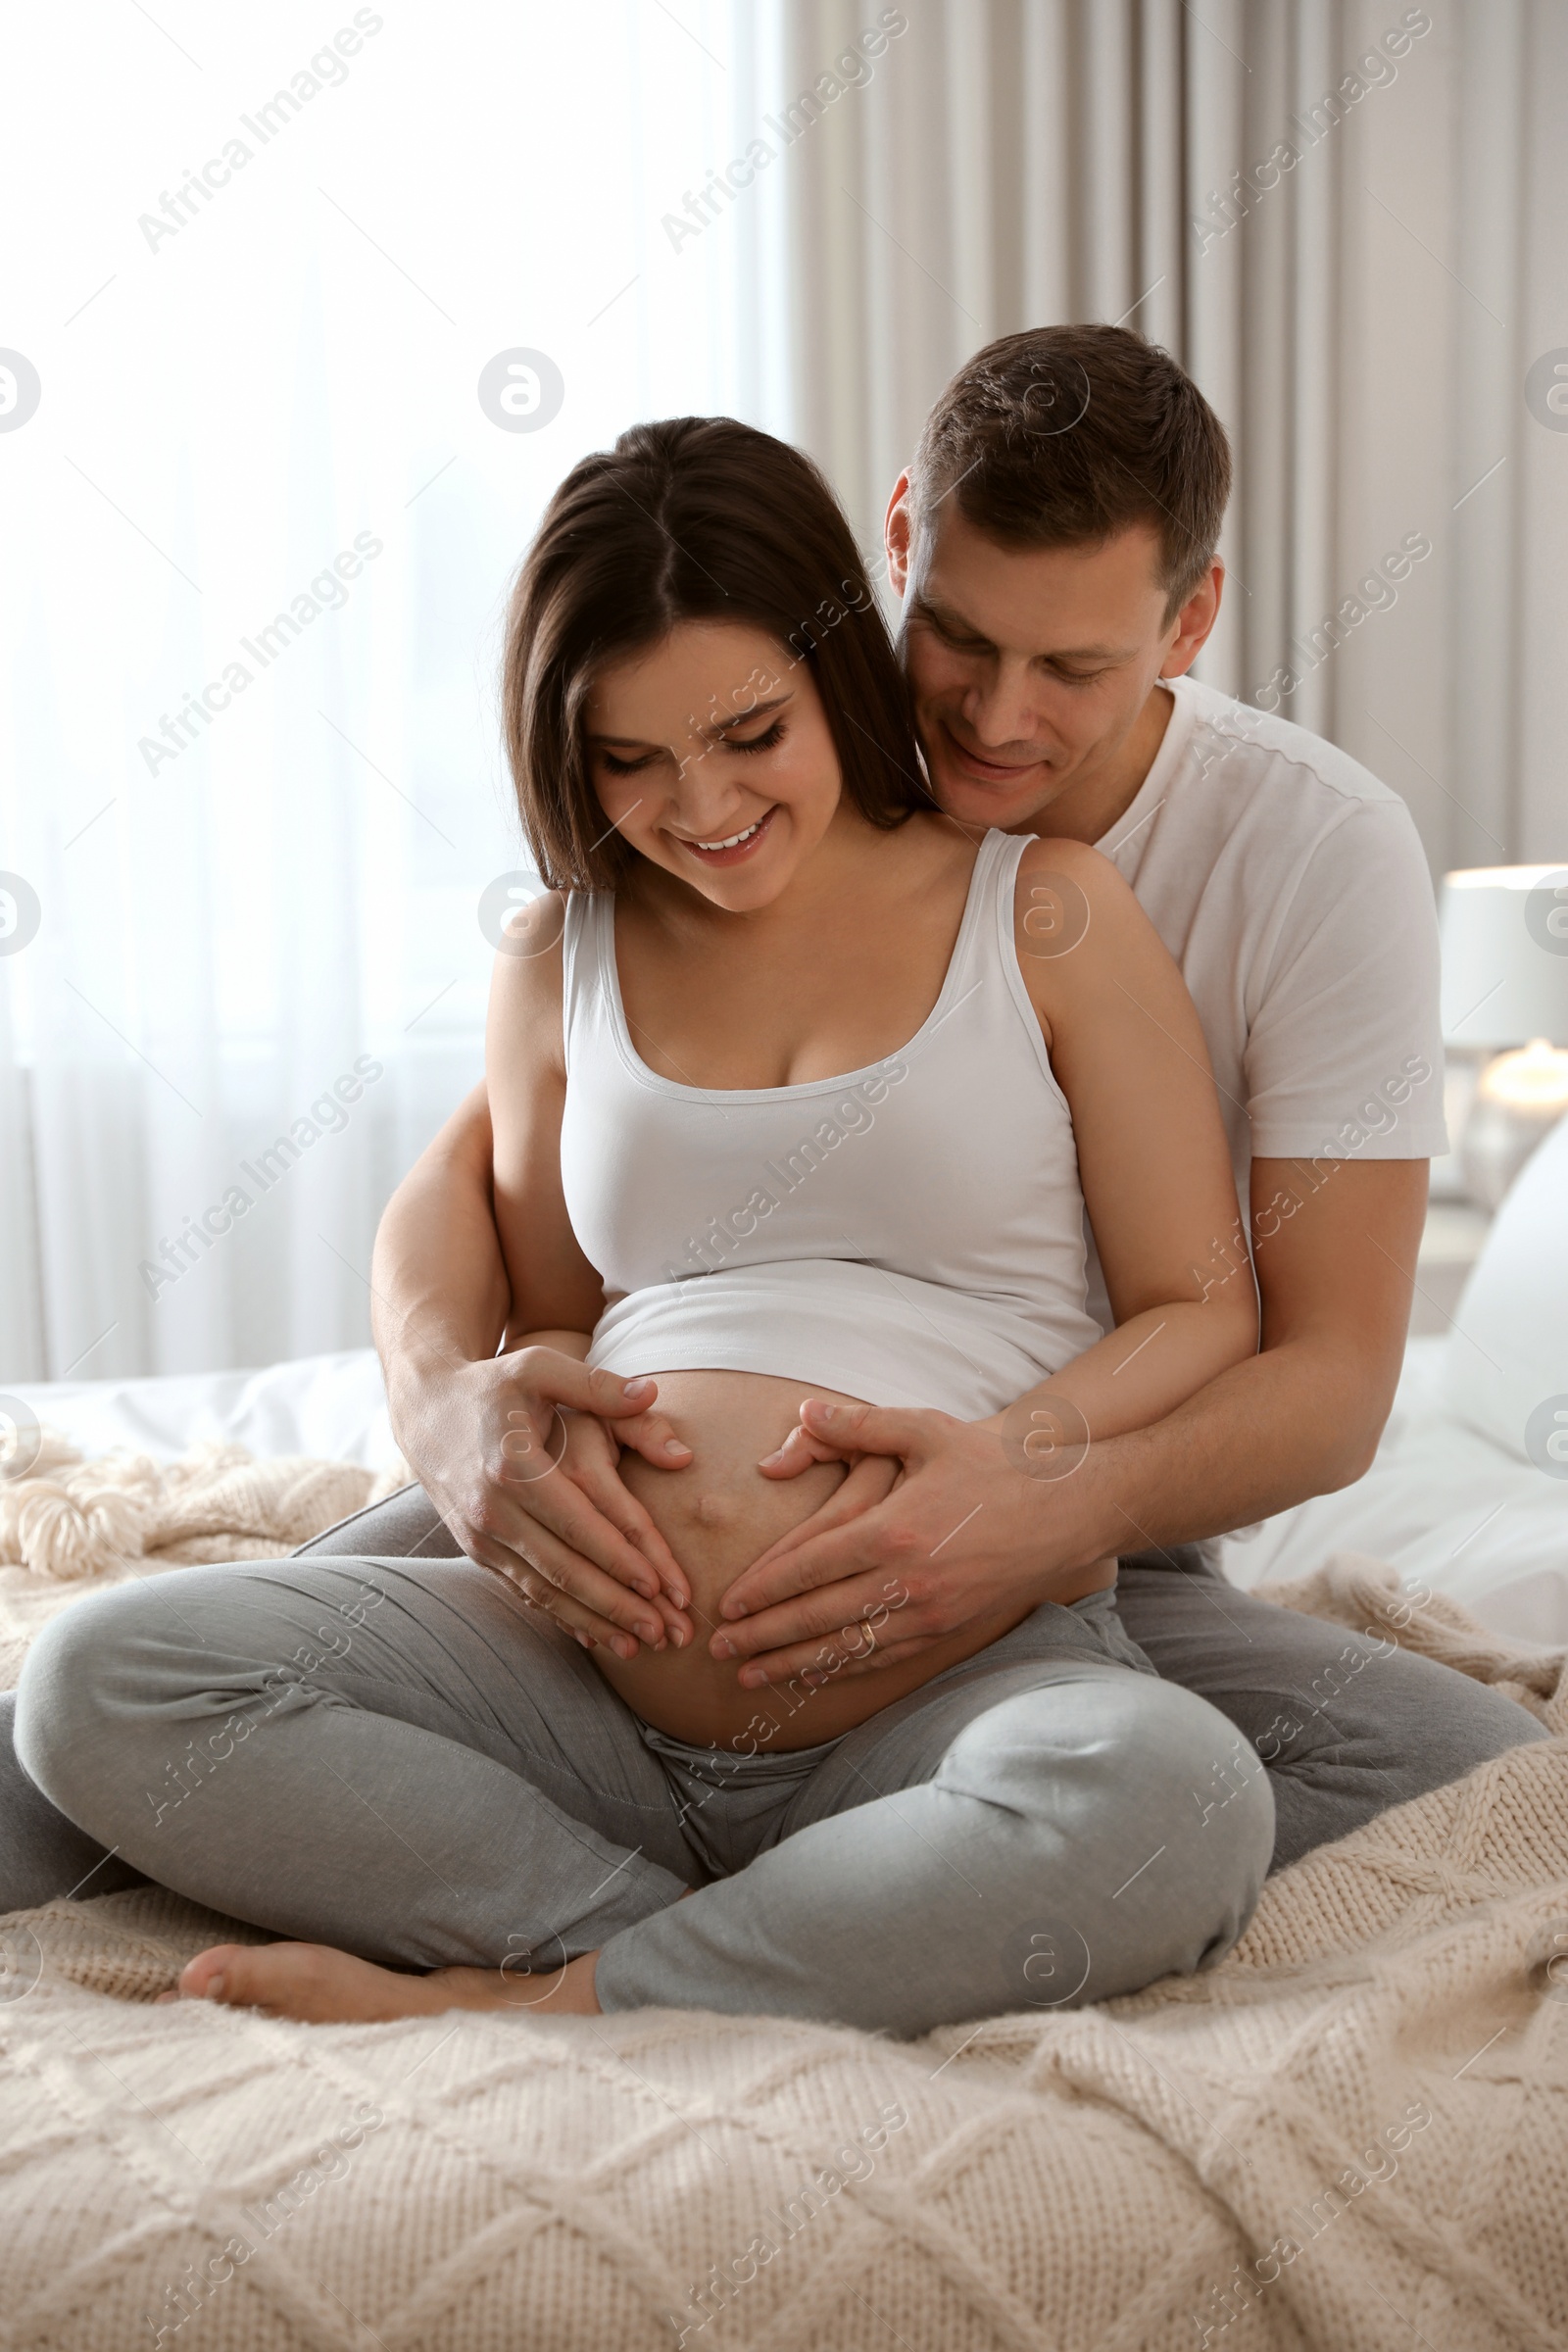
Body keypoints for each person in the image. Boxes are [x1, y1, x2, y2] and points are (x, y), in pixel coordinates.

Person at [14, 413, 1278, 2034]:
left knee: (1179, 1795)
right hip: (576, 1687)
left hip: (953, 1666)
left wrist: (1017, 1457)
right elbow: (545, 1316)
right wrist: (497, 1416)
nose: (704, 804)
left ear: (838, 668)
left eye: (752, 730)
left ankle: (540, 1996)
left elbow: (1202, 1308)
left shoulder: (1043, 912)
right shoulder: (561, 956)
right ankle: (675, 1946)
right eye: (633, 759)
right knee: (96, 1683)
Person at [288, 324, 1544, 1851]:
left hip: (1077, 1520)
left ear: (1194, 616)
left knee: (1479, 1783)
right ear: (898, 540)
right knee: (82, 1754)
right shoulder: (777, 742)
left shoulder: (1310, 852)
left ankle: (699, 1905)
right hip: (643, 1514)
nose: (994, 719)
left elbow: (1334, 1383)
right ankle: (766, 1857)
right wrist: (434, 1399)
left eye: (1073, 667)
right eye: (956, 633)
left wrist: (1038, 1508)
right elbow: (488, 1151)